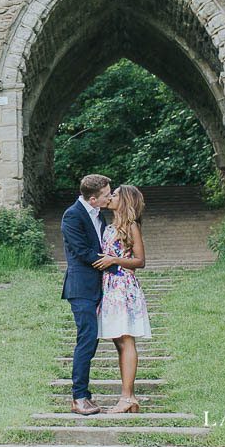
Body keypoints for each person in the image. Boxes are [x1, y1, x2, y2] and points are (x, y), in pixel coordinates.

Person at [95, 183, 152, 414]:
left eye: (115, 194)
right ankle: (128, 397)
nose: (110, 197)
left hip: (123, 286)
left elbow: (140, 261)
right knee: (119, 342)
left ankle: (128, 397)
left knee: (126, 340)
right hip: (109, 287)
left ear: (125, 200)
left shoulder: (130, 226)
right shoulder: (109, 227)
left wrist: (114, 260)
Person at [60, 174, 113, 415]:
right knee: (87, 339)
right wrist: (116, 264)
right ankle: (79, 396)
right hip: (81, 287)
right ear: (93, 199)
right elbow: (82, 251)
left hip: (98, 286)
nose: (110, 197)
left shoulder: (98, 214)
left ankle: (85, 395)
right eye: (106, 195)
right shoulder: (72, 215)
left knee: (91, 340)